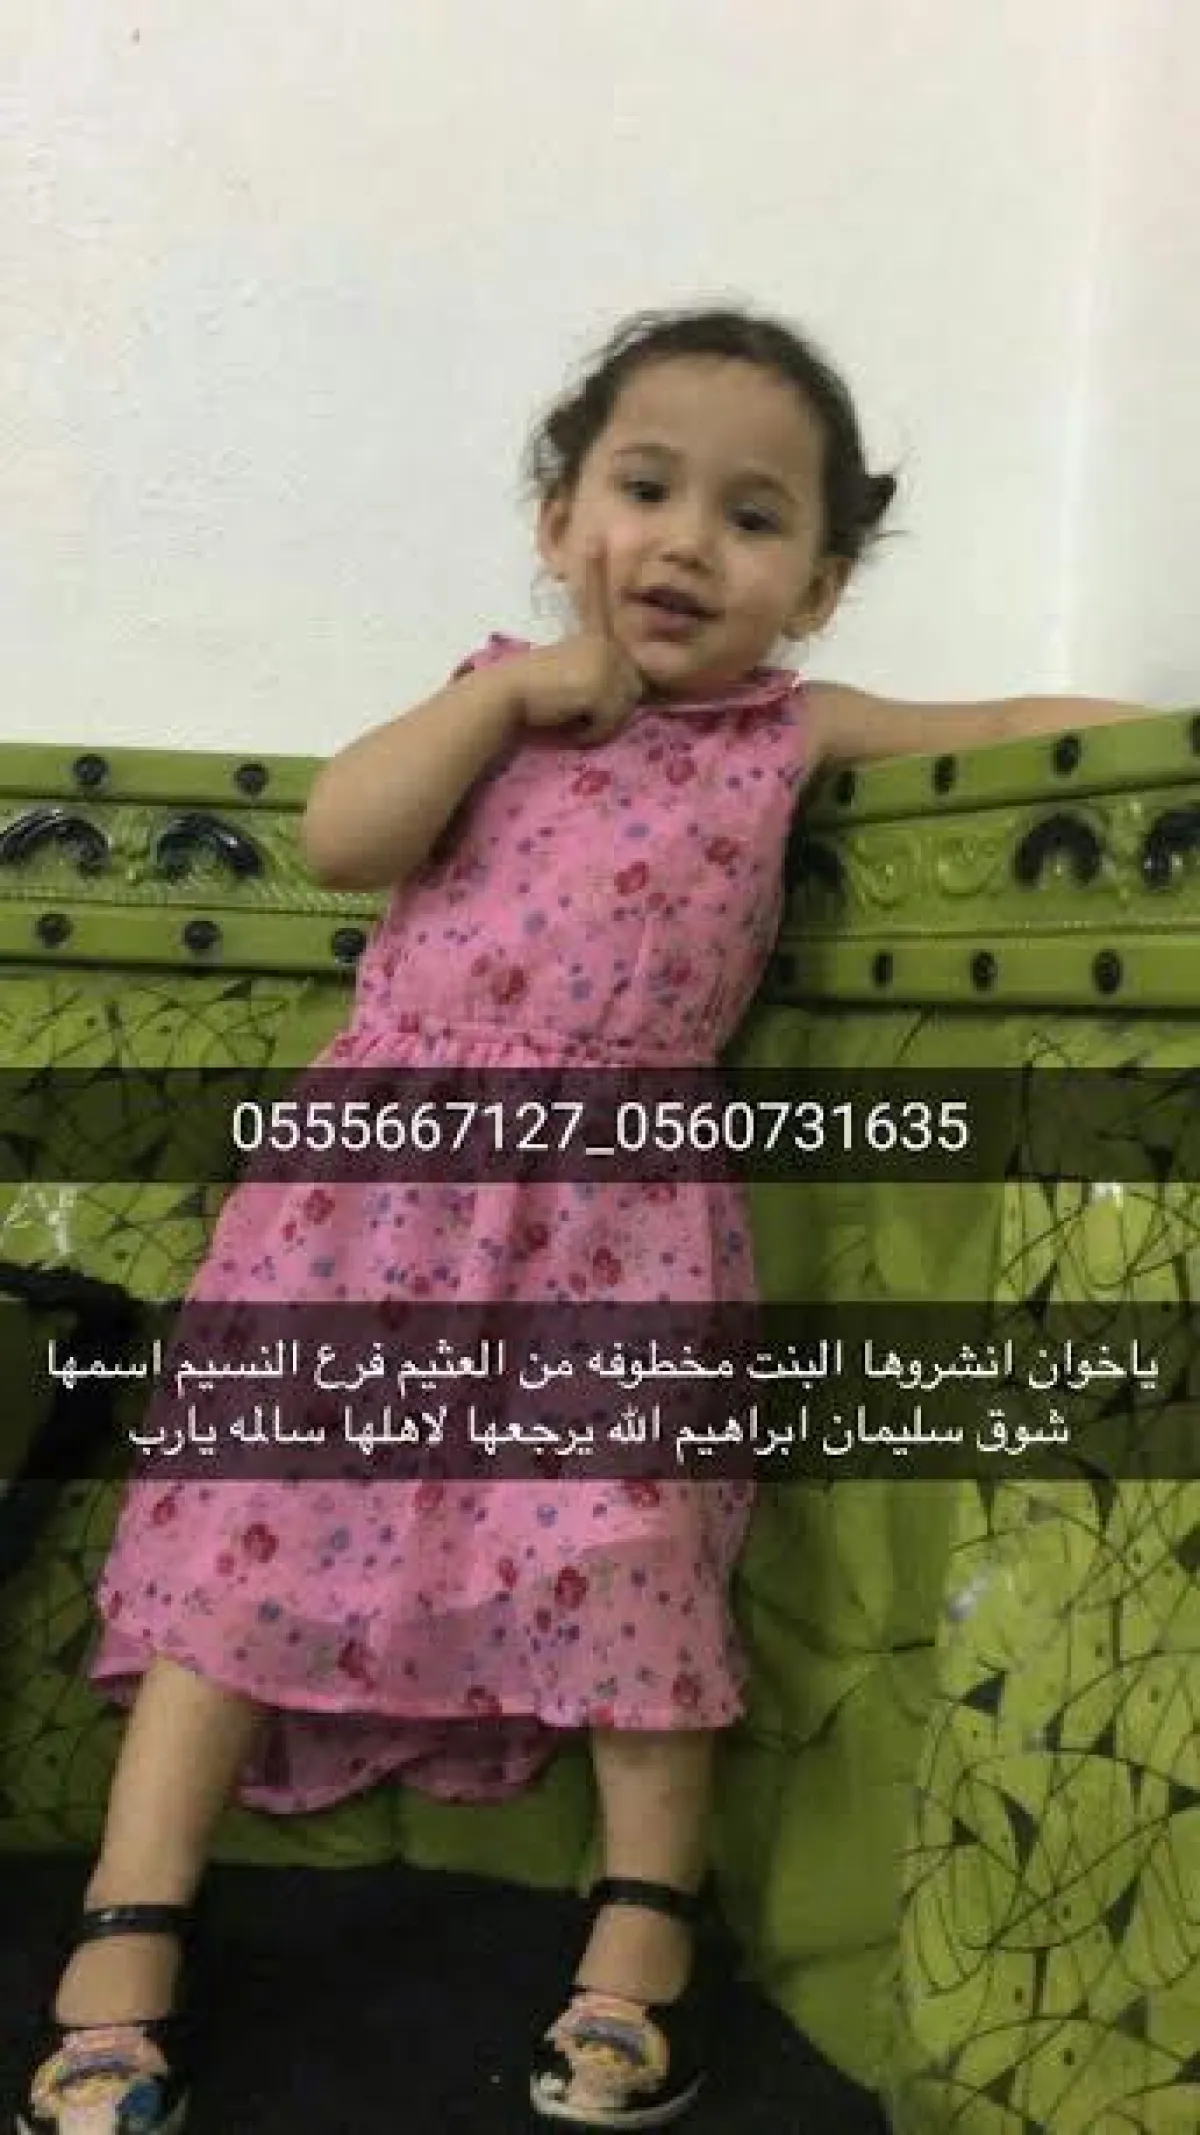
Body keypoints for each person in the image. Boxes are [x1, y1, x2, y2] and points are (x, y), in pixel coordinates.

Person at [18, 304, 1158, 2135]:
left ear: (821, 584)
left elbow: (1018, 721)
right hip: (370, 1211)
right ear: (560, 522)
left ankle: (636, 1945)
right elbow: (341, 836)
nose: (690, 540)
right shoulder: (487, 700)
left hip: (617, 1230)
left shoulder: (790, 731)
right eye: (645, 487)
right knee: (242, 1536)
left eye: (755, 515)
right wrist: (494, 701)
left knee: (632, 1554)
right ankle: (126, 1932)